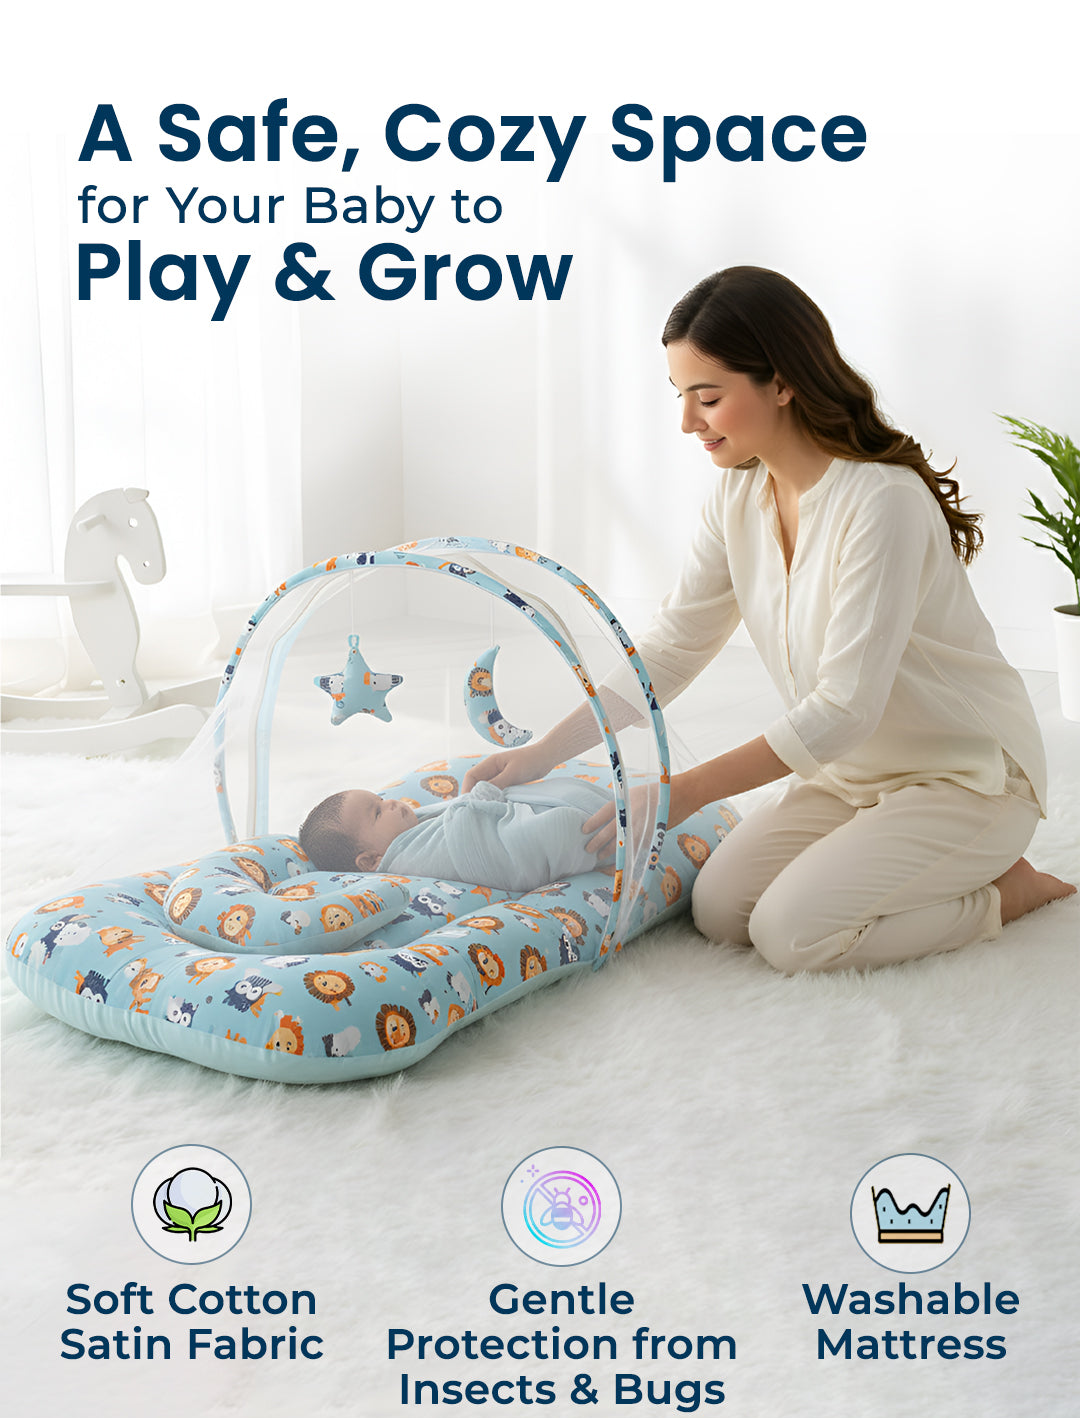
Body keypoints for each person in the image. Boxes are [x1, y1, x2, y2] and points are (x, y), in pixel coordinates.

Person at [463, 266, 1075, 973]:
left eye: (708, 397)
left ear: (780, 383)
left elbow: (845, 707)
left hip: (966, 778)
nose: (688, 422)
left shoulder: (882, 502)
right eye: (681, 397)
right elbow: (671, 650)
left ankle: (1008, 891)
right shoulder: (738, 498)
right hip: (847, 777)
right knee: (721, 912)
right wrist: (541, 754)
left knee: (794, 936)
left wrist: (683, 792)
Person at [299, 776, 613, 892]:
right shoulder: (408, 863)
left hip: (501, 821)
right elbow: (469, 843)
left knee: (548, 791)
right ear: (370, 861)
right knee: (556, 830)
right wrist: (480, 798)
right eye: (378, 812)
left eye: (381, 799)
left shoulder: (407, 833)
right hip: (516, 844)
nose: (391, 802)